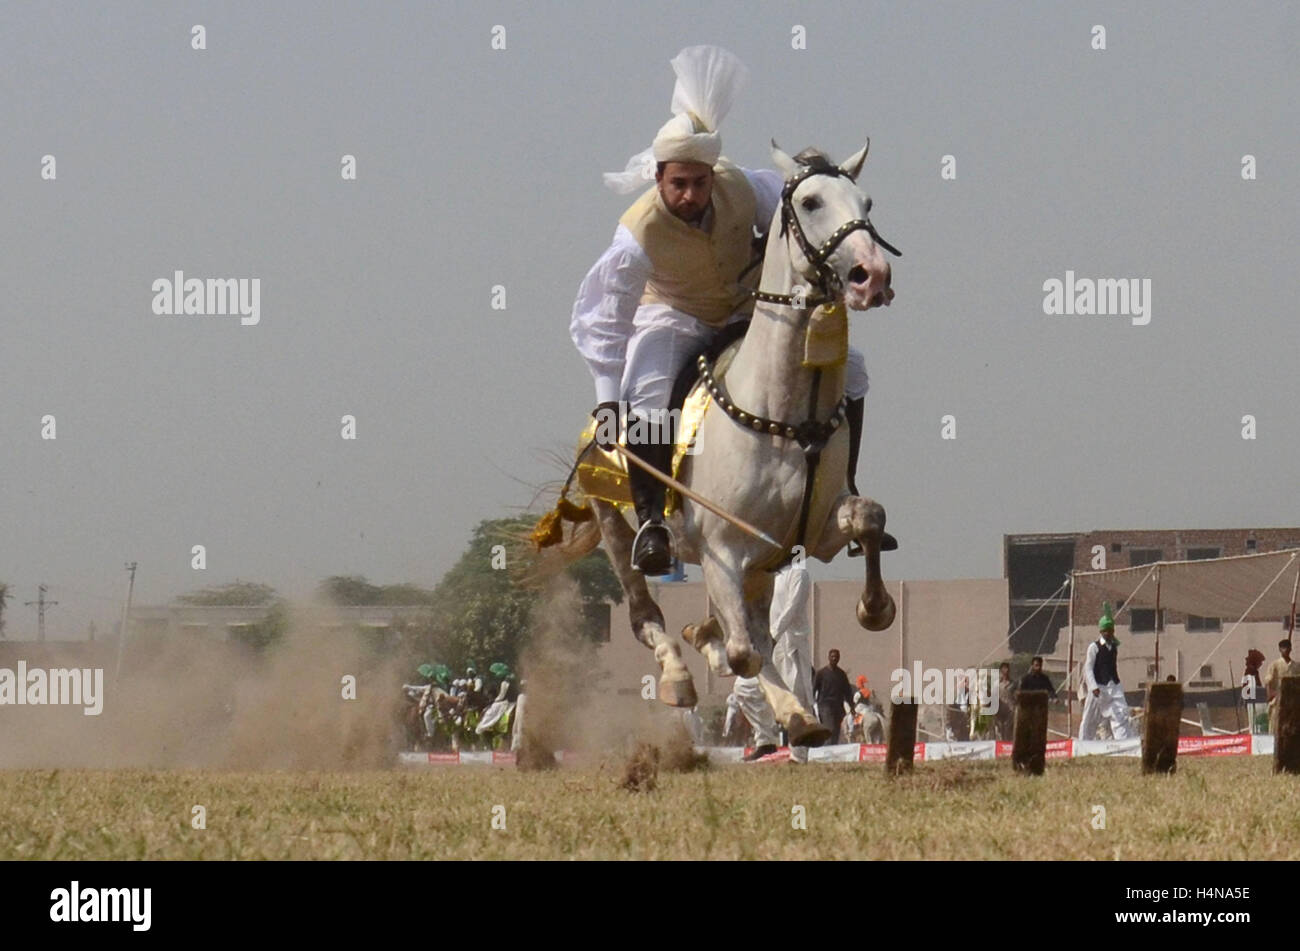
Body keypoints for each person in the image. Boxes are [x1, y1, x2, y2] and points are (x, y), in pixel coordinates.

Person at [571, 45, 871, 573]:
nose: (690, 195)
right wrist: (604, 402)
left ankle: (843, 491)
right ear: (659, 178)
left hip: (747, 307)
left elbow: (807, 215)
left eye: (699, 183)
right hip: (673, 317)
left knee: (853, 369)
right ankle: (652, 525)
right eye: (678, 184)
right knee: (646, 399)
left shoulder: (743, 185)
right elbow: (605, 319)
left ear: (713, 175)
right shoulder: (636, 234)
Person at [1078, 603, 1134, 741]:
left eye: (1110, 630)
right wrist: (1093, 687)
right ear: (1101, 631)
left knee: (1120, 715)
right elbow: (1088, 668)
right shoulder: (1094, 647)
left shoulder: (1114, 647)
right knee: (1090, 718)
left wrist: (1117, 684)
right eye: (1105, 631)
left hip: (1113, 686)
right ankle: (1084, 743)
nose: (1108, 633)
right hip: (1098, 687)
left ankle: (1124, 742)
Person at [813, 648, 855, 743]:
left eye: (836, 657)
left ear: (839, 658)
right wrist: (812, 703)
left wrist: (852, 706)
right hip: (825, 705)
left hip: (838, 706)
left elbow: (847, 692)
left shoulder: (841, 674)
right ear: (828, 657)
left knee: (836, 730)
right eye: (832, 656)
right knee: (829, 727)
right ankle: (827, 750)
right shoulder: (821, 673)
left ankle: (833, 751)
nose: (834, 658)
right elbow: (813, 688)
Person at [1266, 639, 1300, 736]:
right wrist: (1271, 695)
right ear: (1280, 649)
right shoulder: (1274, 665)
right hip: (1278, 701)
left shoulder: (1296, 666)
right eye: (1283, 648)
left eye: (1287, 647)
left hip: (1292, 702)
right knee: (1276, 727)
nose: (1285, 650)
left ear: (1290, 649)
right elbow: (1268, 682)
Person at [1243, 648, 1266, 733]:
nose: (1261, 664)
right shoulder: (1250, 672)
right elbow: (1249, 689)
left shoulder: (1254, 671)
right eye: (1260, 662)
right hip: (1252, 702)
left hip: (1255, 701)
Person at [994, 663, 1017, 741]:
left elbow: (1017, 696)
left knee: (1008, 728)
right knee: (1000, 728)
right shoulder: (997, 684)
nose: (1006, 670)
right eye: (1004, 668)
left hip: (1011, 710)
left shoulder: (1013, 683)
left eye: (1007, 668)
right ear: (1001, 671)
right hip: (1000, 710)